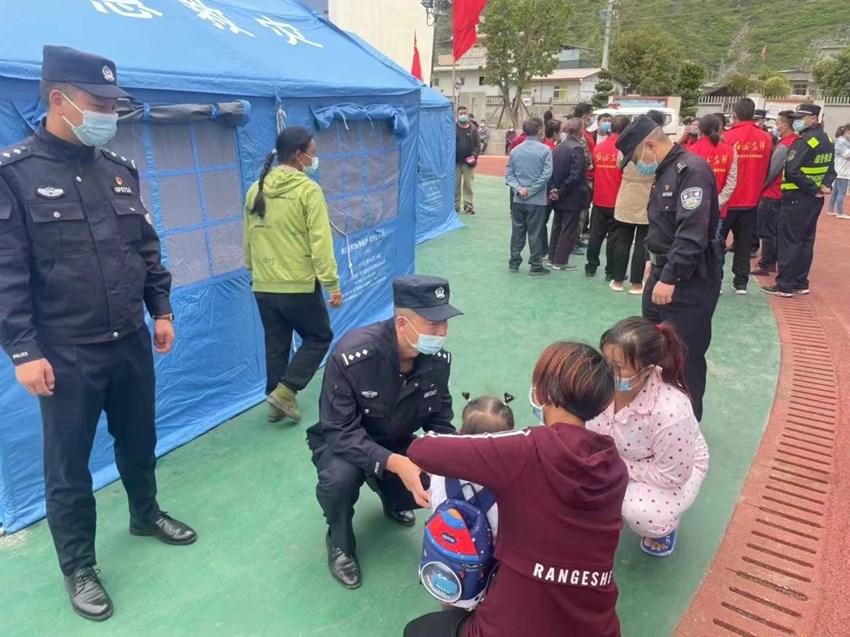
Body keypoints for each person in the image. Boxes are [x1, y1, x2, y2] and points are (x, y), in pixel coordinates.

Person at [0, 45, 196, 622]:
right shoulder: (14, 174)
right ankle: (78, 565)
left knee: (139, 439)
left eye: (113, 102)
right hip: (65, 352)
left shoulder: (118, 170)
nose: (109, 111)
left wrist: (160, 308)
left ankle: (144, 512)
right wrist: (22, 349)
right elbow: (6, 272)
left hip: (129, 339)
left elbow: (145, 248)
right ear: (58, 99)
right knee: (69, 467)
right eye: (99, 101)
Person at [403, 342, 628, 637]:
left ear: (544, 393)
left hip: (512, 627)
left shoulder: (525, 448)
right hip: (597, 627)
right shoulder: (615, 466)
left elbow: (423, 450)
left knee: (417, 631)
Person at [307, 276, 460, 589]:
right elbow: (340, 432)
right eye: (432, 324)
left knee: (436, 482)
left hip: (397, 440)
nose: (441, 332)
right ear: (402, 323)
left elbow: (440, 425)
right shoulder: (352, 357)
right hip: (344, 445)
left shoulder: (437, 362)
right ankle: (339, 540)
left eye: (444, 322)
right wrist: (397, 464)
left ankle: (391, 496)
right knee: (339, 481)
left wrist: (460, 467)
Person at [616, 116, 723, 422]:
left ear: (649, 145)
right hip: (662, 274)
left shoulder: (691, 170)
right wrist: (654, 261)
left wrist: (671, 275)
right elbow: (663, 226)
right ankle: (657, 417)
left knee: (683, 356)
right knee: (650, 350)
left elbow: (692, 232)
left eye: (636, 158)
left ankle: (686, 424)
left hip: (687, 282)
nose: (638, 165)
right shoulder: (665, 170)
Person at [244, 127, 343, 423]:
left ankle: (275, 405)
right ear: (298, 155)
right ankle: (286, 392)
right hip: (297, 284)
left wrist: (255, 268)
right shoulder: (307, 190)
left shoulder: (255, 189)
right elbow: (320, 241)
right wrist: (331, 283)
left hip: (263, 284)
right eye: (312, 152)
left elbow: (248, 238)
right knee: (319, 336)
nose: (315, 158)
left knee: (277, 343)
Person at [588, 318, 709, 557]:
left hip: (671, 470)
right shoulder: (597, 383)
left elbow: (672, 474)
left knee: (642, 513)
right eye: (605, 361)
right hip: (617, 456)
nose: (607, 372)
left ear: (648, 369)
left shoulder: (670, 410)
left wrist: (612, 467)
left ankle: (662, 529)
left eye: (618, 366)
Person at [427, 393, 515, 610]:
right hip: (488, 577)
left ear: (461, 433)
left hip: (449, 573)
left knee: (451, 610)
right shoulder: (507, 491)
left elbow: (434, 504)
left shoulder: (440, 474)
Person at [762, 104, 836, 298]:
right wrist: (823, 186)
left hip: (796, 198)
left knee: (789, 241)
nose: (796, 121)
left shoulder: (804, 141)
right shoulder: (827, 139)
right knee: (805, 241)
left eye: (801, 117)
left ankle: (785, 284)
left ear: (813, 119)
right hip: (814, 200)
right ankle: (801, 282)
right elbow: (831, 170)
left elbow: (793, 171)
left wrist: (812, 188)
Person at [721, 98, 772, 294]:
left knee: (718, 242)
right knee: (744, 244)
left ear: (734, 114)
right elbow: (767, 168)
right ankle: (741, 282)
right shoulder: (765, 139)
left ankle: (716, 279)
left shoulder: (728, 137)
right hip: (752, 200)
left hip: (728, 201)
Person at [751, 111, 797, 276]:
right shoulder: (792, 141)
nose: (776, 126)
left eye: (778, 122)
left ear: (784, 125)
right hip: (779, 192)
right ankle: (770, 261)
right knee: (773, 230)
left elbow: (772, 171)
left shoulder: (785, 145)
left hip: (772, 193)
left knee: (767, 231)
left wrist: (760, 187)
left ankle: (766, 264)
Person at [506, 119, 554, 275]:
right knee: (536, 232)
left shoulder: (515, 151)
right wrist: (532, 190)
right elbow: (546, 174)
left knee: (517, 230)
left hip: (518, 199)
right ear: (540, 131)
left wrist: (520, 189)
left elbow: (509, 174)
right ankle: (535, 264)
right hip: (537, 200)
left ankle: (514, 262)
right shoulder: (545, 150)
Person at [611, 115, 651, 295]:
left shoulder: (625, 149)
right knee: (642, 244)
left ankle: (618, 281)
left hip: (627, 195)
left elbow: (618, 165)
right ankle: (637, 284)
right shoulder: (655, 151)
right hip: (647, 198)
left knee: (623, 241)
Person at [585, 114, 626, 280]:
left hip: (599, 199)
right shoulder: (624, 150)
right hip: (617, 201)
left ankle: (591, 267)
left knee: (595, 236)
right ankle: (611, 271)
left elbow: (593, 171)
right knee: (614, 239)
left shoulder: (598, 148)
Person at [547, 118, 589, 271]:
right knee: (569, 228)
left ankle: (552, 256)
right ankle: (561, 260)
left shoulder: (559, 147)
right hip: (571, 196)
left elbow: (551, 172)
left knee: (557, 226)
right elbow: (576, 176)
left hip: (558, 194)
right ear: (581, 131)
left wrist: (555, 189)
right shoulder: (577, 149)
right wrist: (561, 190)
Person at [688, 114, 738, 223]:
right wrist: (717, 203)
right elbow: (731, 183)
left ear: (699, 130)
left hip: (693, 208)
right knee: (714, 238)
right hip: (718, 210)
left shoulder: (690, 151)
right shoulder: (731, 151)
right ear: (719, 128)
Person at [455, 106, 480, 214]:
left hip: (469, 163)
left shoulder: (474, 129)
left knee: (468, 184)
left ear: (468, 114)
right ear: (457, 115)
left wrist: (474, 156)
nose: (463, 115)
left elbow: (478, 146)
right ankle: (455, 205)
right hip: (455, 162)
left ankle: (468, 205)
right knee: (455, 184)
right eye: (461, 113)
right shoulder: (452, 128)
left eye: (465, 113)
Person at [827, 124, 850, 219]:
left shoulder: (840, 141)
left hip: (839, 171)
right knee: (841, 192)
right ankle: (840, 212)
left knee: (835, 192)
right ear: (847, 132)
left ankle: (831, 210)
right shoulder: (841, 142)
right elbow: (847, 155)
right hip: (842, 172)